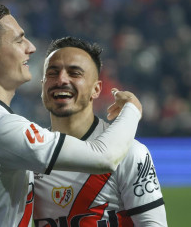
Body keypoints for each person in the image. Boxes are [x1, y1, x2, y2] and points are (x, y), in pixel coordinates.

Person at [0, 3, 142, 226]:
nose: (31, 47)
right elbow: (105, 157)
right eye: (19, 40)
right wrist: (132, 109)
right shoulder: (0, 127)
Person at [33, 37, 167, 226]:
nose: (61, 79)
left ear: (96, 89)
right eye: (53, 73)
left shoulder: (131, 153)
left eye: (75, 73)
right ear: (43, 85)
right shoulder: (30, 153)